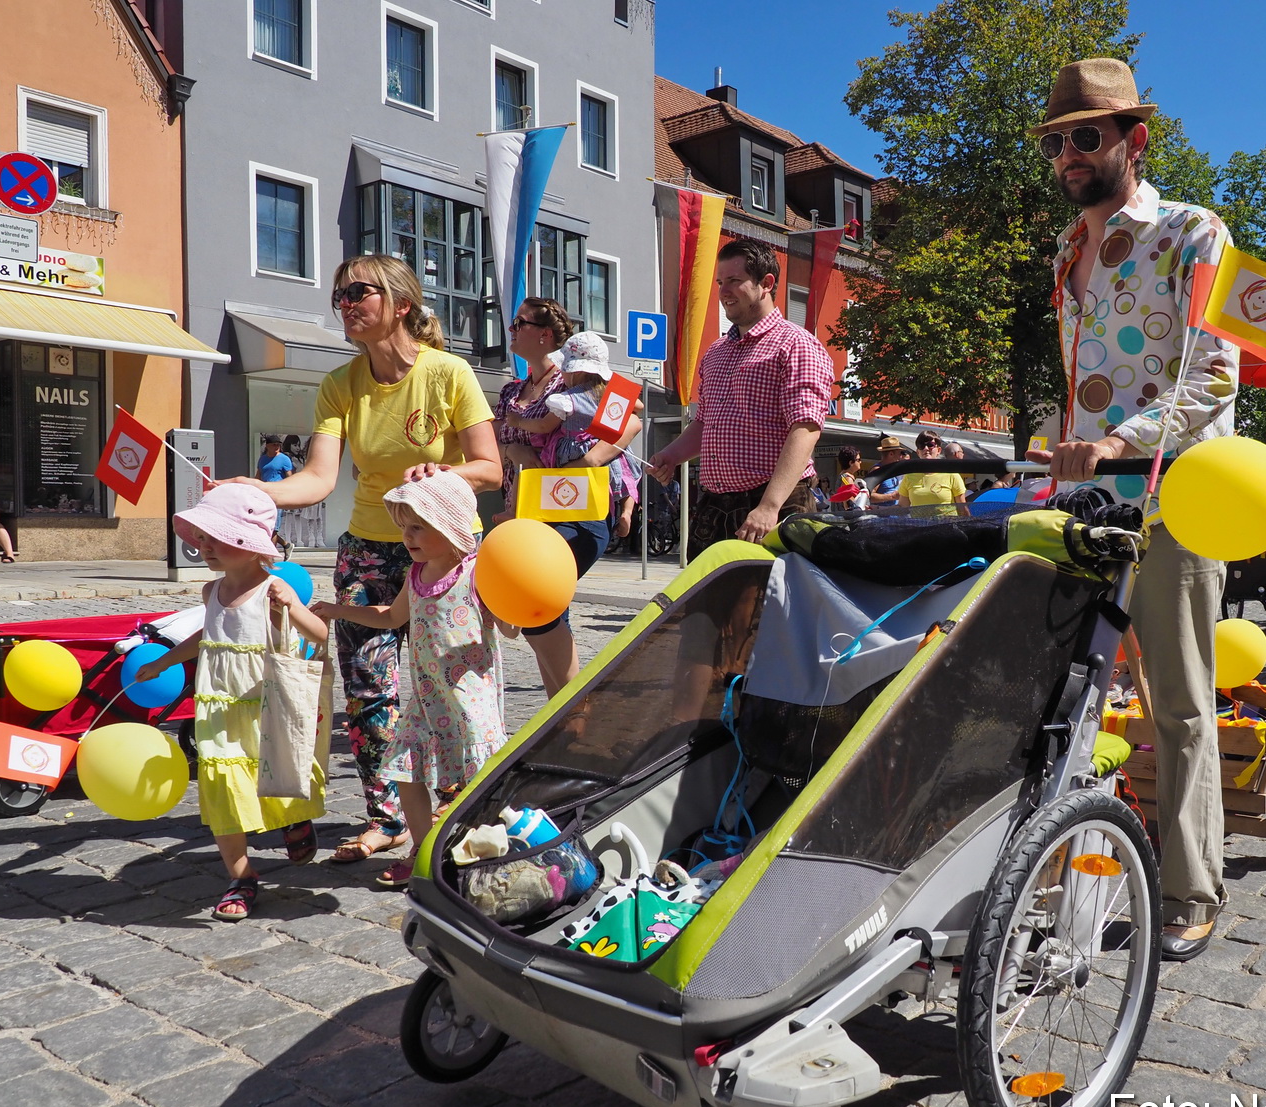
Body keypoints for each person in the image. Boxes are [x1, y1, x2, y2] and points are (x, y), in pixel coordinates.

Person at [1024, 56, 1236, 961]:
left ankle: (1191, 885)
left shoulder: (1194, 232)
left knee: (1180, 701)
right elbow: (1081, 391)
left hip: (1176, 492)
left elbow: (1215, 367)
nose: (1071, 153)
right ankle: (1057, 869)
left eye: (1088, 135)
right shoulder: (1067, 251)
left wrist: (1120, 440)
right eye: (1059, 140)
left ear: (1133, 140)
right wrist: (1063, 446)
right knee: (1066, 693)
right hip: (1086, 503)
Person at [215, 254, 501, 865]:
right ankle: (388, 817)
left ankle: (455, 819)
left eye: (357, 292)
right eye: (338, 295)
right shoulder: (340, 385)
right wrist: (258, 488)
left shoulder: (449, 374)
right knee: (370, 690)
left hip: (445, 551)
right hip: (370, 549)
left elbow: (490, 467)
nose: (344, 303)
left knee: (450, 685)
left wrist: (443, 473)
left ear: (400, 304)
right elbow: (318, 478)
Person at [136, 485, 330, 920]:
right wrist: (164, 661)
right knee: (223, 785)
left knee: (276, 772)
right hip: (218, 706)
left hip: (264, 705)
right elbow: (207, 636)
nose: (205, 547)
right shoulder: (212, 591)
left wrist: (292, 609)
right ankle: (241, 875)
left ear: (250, 545)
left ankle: (293, 819)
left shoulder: (273, 589)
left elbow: (318, 634)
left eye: (217, 539)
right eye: (202, 538)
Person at [313, 472, 507, 889]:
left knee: (478, 782)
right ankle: (422, 850)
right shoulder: (415, 576)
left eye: (417, 526)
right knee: (407, 773)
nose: (407, 536)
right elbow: (392, 616)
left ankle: (483, 851)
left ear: (450, 522)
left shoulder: (477, 573)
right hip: (425, 700)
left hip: (469, 704)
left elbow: (510, 627)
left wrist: (521, 595)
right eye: (403, 526)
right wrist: (338, 610)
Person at [646, 238, 834, 548]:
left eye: (734, 281)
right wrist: (671, 455)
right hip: (715, 504)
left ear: (766, 283)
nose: (722, 292)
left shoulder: (796, 345)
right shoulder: (716, 352)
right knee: (704, 596)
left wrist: (770, 506)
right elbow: (705, 423)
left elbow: (806, 428)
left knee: (770, 597)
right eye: (720, 282)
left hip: (776, 502)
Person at [495, 302, 641, 697]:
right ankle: (560, 718)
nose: (510, 328)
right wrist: (512, 454)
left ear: (544, 334)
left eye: (519, 323)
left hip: (575, 506)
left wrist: (594, 457)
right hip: (527, 508)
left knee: (537, 601)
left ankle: (574, 712)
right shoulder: (513, 390)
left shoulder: (575, 379)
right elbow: (498, 446)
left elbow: (633, 416)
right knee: (545, 610)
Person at [895, 431, 968, 517]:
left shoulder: (951, 474)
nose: (926, 448)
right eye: (921, 445)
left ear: (938, 450)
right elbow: (902, 507)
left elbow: (962, 508)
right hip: (920, 528)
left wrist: (971, 528)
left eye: (930, 445)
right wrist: (879, 509)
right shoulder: (909, 476)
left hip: (947, 528)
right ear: (918, 452)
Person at [867, 436, 907, 507]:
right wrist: (891, 496)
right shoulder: (878, 470)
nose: (900, 457)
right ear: (891, 454)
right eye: (899, 453)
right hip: (881, 516)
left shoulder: (893, 469)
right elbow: (869, 496)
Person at [835, 445, 869, 510]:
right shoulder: (848, 479)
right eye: (858, 460)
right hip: (847, 518)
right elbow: (849, 505)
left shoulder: (844, 476)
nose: (860, 462)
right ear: (851, 463)